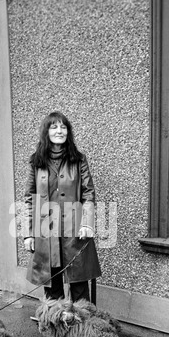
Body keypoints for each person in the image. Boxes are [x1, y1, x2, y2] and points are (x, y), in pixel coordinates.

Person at [24, 111, 101, 303]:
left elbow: (88, 193)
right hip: (46, 231)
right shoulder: (36, 161)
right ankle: (55, 328)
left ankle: (83, 329)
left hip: (74, 231)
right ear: (46, 132)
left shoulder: (79, 159)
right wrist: (28, 233)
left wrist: (87, 223)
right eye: (54, 126)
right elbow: (29, 198)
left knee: (79, 286)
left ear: (68, 131)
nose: (60, 131)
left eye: (63, 127)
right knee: (52, 288)